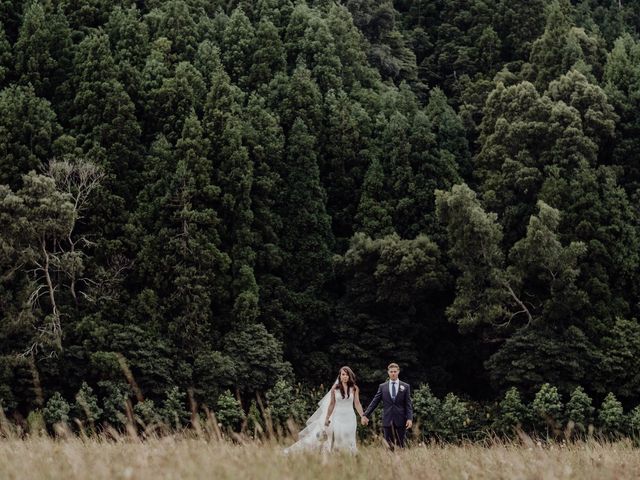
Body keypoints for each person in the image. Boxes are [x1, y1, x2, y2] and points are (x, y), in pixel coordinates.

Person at [284, 366, 365, 454]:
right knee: (337, 438)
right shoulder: (335, 389)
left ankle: (350, 457)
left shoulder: (354, 388)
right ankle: (335, 455)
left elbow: (357, 403)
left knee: (349, 438)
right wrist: (327, 418)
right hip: (337, 417)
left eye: (347, 375)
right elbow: (332, 404)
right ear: (340, 376)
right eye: (343, 374)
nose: (345, 376)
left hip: (350, 418)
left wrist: (362, 416)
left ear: (350, 376)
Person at [361, 363, 413, 449]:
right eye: (391, 371)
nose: (393, 373)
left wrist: (410, 418)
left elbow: (408, 404)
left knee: (400, 446)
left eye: (395, 371)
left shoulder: (405, 386)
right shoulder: (382, 387)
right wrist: (365, 415)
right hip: (387, 420)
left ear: (398, 372)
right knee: (388, 447)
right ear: (388, 372)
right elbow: (375, 402)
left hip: (401, 420)